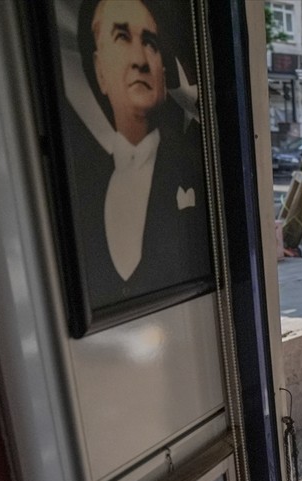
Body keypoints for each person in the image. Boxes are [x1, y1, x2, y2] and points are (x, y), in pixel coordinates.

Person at [70, 0, 210, 314]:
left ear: (163, 68)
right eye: (122, 38)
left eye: (150, 43)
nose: (139, 60)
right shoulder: (83, 187)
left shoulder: (196, 168)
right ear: (99, 70)